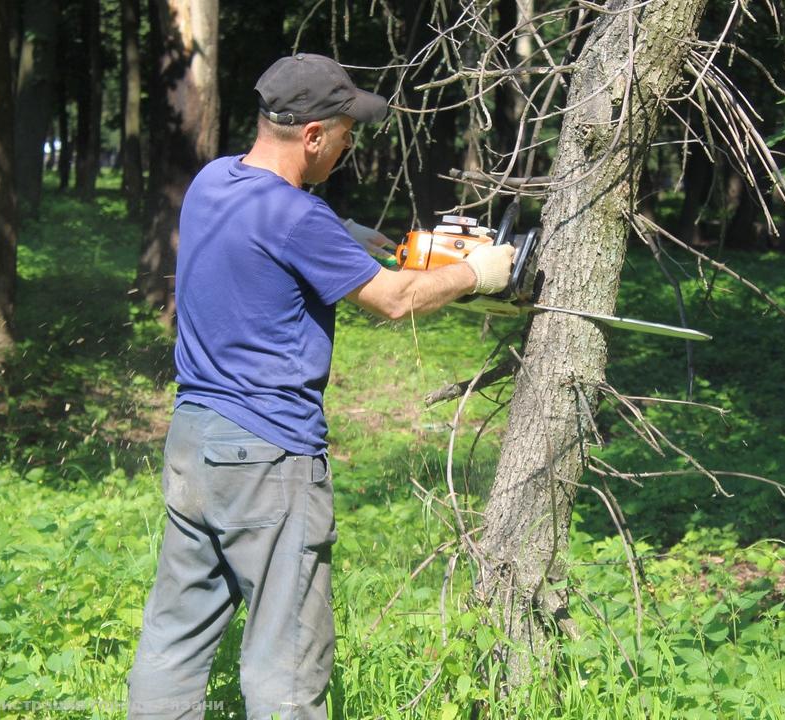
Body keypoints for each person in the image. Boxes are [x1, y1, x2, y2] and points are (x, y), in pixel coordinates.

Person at [126, 53, 515, 720]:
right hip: (268, 458)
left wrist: (344, 235)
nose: (348, 144)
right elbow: (394, 300)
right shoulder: (298, 219)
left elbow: (273, 224)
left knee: (176, 635)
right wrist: (477, 274)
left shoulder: (215, 182)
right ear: (312, 136)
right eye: (344, 133)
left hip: (195, 443)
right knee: (288, 658)